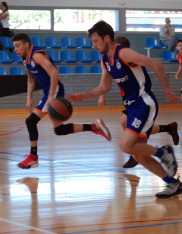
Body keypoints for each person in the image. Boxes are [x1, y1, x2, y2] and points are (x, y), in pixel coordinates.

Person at [67, 21, 182, 198]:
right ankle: (173, 184)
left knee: (126, 145)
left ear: (107, 38)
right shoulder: (105, 59)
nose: (93, 45)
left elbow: (156, 64)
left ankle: (163, 152)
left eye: (96, 41)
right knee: (137, 154)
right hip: (131, 107)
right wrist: (83, 95)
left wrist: (167, 91)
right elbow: (104, 86)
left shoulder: (124, 53)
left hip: (144, 103)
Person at [12, 33, 111, 169]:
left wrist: (52, 95)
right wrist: (29, 97)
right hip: (50, 92)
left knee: (30, 121)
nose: (16, 50)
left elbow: (54, 72)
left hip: (54, 91)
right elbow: (30, 77)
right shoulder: (25, 58)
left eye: (17, 46)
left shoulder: (36, 55)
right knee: (59, 130)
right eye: (14, 47)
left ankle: (33, 157)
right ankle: (94, 126)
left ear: (26, 45)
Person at [98, 35, 179, 169]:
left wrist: (168, 91)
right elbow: (105, 80)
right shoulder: (109, 59)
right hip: (128, 99)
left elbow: (155, 64)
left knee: (126, 123)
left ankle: (136, 151)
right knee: (131, 125)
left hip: (140, 99)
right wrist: (101, 95)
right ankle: (169, 128)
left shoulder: (130, 59)